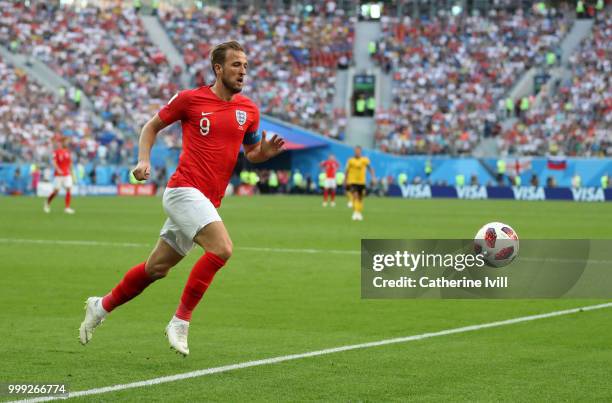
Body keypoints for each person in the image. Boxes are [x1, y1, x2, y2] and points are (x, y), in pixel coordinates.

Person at [79, 41, 285, 356]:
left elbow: (252, 153)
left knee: (156, 268)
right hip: (183, 191)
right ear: (218, 69)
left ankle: (100, 306)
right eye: (235, 65)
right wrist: (143, 160)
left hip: (207, 200)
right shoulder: (190, 100)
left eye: (245, 65)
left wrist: (264, 154)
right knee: (222, 249)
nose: (242, 71)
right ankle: (180, 321)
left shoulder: (249, 110)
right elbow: (152, 127)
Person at [44, 137, 75, 214]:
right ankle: (47, 203)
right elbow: (54, 162)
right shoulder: (56, 152)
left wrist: (72, 172)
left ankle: (67, 208)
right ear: (62, 143)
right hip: (58, 174)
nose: (67, 143)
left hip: (67, 174)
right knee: (56, 191)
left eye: (67, 142)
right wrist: (58, 169)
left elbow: (70, 163)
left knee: (69, 188)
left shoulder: (68, 152)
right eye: (65, 142)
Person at [345, 146, 375, 221]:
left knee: (360, 199)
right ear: (354, 151)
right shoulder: (350, 160)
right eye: (356, 151)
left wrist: (373, 177)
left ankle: (358, 212)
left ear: (360, 151)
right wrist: (345, 180)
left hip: (361, 182)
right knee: (355, 195)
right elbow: (347, 171)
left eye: (358, 151)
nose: (357, 152)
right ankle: (355, 212)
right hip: (353, 181)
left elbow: (370, 168)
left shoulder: (365, 160)